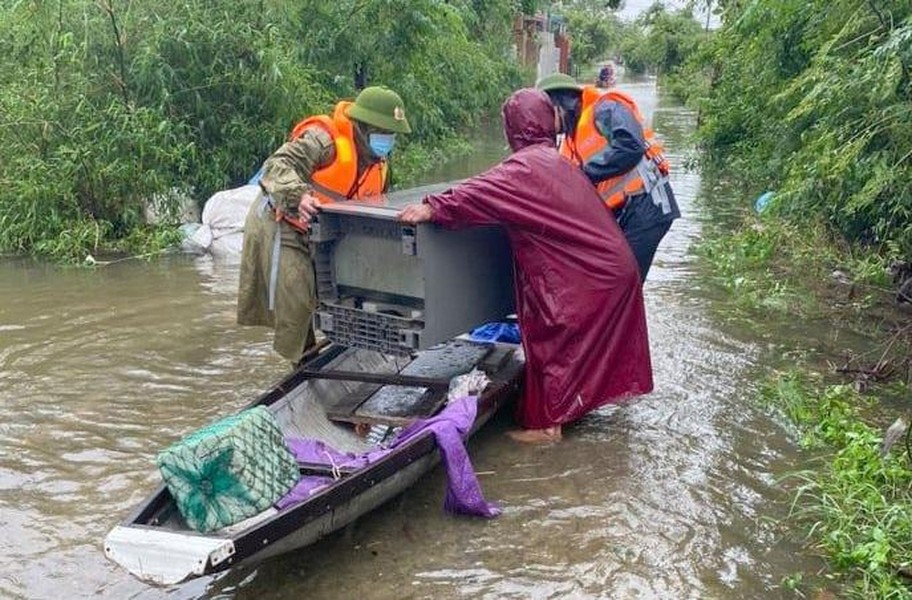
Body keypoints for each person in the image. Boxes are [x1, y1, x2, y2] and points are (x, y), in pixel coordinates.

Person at [398, 88, 653, 443]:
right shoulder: (556, 160)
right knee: (576, 347)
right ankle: (574, 412)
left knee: (557, 340)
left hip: (591, 278)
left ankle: (549, 427)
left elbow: (480, 191)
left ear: (512, 129)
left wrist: (432, 207)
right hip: (612, 271)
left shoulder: (525, 166)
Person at [237, 86, 411, 365]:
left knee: (346, 291)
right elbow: (276, 166)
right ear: (362, 127)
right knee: (297, 298)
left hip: (329, 232)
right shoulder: (323, 140)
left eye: (391, 135)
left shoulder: (378, 163)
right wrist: (298, 195)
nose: (387, 141)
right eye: (382, 133)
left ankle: (345, 351)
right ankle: (303, 364)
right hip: (286, 221)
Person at [537, 72, 680, 281]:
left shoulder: (605, 109)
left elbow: (631, 145)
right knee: (608, 280)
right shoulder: (570, 140)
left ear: (558, 104)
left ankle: (627, 313)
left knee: (623, 281)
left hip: (648, 205)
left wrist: (583, 174)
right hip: (624, 211)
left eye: (544, 115)